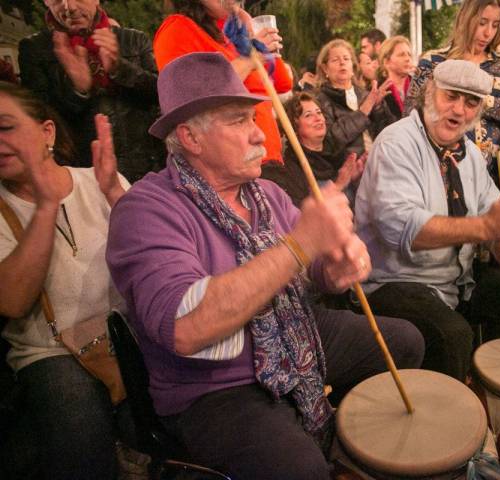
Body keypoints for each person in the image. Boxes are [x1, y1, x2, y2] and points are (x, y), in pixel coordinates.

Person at [105, 52, 424, 479]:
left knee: (406, 342)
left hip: (292, 330)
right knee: (299, 469)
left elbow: (315, 270)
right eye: (239, 121)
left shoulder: (266, 194)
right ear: (190, 137)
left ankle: (345, 443)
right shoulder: (145, 210)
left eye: (254, 118)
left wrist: (336, 266)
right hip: (214, 384)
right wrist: (301, 243)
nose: (259, 135)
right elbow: (186, 327)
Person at [355, 60, 500, 382]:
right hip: (393, 283)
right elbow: (400, 228)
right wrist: (486, 227)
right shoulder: (396, 143)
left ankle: (494, 394)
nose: (459, 110)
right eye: (451, 97)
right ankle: (452, 420)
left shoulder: (468, 153)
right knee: (451, 335)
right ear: (430, 93)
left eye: (471, 102)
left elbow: (492, 210)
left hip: (456, 282)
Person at [0, 82, 130, 479]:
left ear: (47, 132)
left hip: (128, 335)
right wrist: (44, 206)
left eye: (5, 126)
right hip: (52, 353)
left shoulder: (98, 179)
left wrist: (113, 193)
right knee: (78, 431)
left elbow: (155, 254)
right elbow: (12, 301)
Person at [19, 0, 163, 183]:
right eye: (56, 0)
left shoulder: (133, 40)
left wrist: (120, 68)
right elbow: (37, 119)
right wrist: (77, 91)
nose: (68, 7)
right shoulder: (35, 49)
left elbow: (161, 94)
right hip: (82, 177)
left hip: (145, 171)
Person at [153, 0, 291, 165]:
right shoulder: (177, 29)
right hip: (230, 163)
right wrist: (248, 60)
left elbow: (283, 83)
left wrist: (251, 31)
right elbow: (191, 99)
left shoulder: (235, 31)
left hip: (267, 156)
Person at [405, 0, 500, 179]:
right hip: (435, 169)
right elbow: (411, 113)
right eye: (482, 23)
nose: (488, 32)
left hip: (489, 174)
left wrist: (482, 101)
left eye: (495, 25)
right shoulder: (434, 61)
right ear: (465, 18)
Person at [261, 92, 364, 206]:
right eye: (308, 115)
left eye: (319, 113)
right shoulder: (292, 169)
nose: (318, 118)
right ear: (294, 126)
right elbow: (305, 214)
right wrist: (338, 185)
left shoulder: (337, 152)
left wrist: (353, 178)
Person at [315, 39, 393, 160]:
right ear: (325, 68)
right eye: (335, 60)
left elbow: (388, 133)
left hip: (378, 163)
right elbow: (328, 142)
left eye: (346, 59)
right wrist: (362, 113)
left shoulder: (366, 95)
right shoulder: (320, 100)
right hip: (348, 169)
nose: (342, 63)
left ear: (353, 66)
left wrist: (378, 108)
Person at [376, 36, 414, 122]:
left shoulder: (418, 86)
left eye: (409, 54)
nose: (408, 59)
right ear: (386, 62)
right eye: (401, 55)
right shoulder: (377, 91)